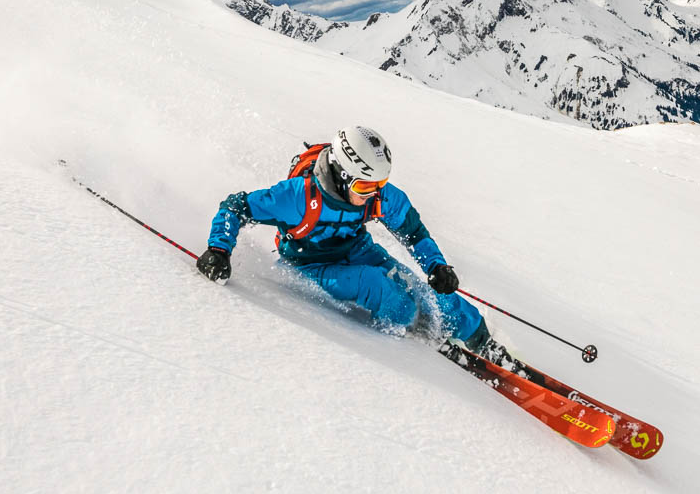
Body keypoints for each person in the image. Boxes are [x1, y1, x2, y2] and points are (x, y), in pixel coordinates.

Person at [196, 124, 502, 356]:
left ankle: (482, 341)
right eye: (366, 185)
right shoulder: (298, 197)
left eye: (380, 184)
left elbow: (414, 232)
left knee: (426, 291)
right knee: (379, 286)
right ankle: (421, 333)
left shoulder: (376, 193)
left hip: (357, 249)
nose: (375, 192)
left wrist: (436, 266)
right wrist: (218, 249)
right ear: (342, 176)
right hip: (311, 264)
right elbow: (235, 207)